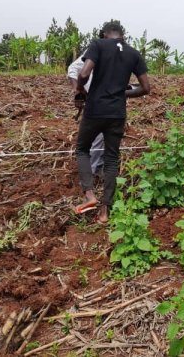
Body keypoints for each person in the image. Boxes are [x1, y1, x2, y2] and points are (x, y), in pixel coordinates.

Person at [74, 22, 150, 223]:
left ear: (105, 33)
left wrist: (80, 89)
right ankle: (105, 212)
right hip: (117, 113)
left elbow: (83, 73)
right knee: (111, 158)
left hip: (95, 109)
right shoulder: (133, 53)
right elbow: (145, 88)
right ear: (122, 35)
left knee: (82, 149)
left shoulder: (98, 45)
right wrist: (121, 93)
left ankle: (89, 195)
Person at [67, 33, 104, 176]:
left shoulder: (115, 54)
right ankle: (92, 173)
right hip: (95, 100)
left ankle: (98, 168)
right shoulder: (93, 52)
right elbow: (73, 70)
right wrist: (78, 90)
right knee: (97, 138)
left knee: (102, 138)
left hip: (108, 101)